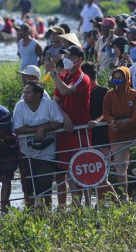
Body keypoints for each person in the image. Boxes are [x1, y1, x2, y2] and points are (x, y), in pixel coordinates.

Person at [45, 45, 91, 206]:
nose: (65, 59)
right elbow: (55, 101)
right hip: (65, 131)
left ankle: (85, 204)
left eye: (69, 57)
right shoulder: (64, 77)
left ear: (78, 60)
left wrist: (52, 73)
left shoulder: (82, 77)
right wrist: (64, 116)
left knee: (81, 168)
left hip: (80, 132)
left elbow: (65, 92)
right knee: (66, 169)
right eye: (64, 56)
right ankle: (72, 205)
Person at [92, 67, 136, 202]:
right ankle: (124, 195)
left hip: (134, 133)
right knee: (120, 167)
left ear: (127, 79)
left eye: (120, 78)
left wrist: (119, 124)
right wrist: (111, 121)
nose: (117, 81)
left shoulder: (135, 95)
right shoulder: (109, 95)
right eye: (115, 78)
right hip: (117, 136)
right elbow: (106, 113)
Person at [13, 81, 64, 207]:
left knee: (45, 186)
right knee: (28, 186)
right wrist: (38, 129)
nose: (25, 95)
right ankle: (30, 212)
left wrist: (43, 129)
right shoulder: (20, 106)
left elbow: (60, 121)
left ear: (38, 95)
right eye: (24, 92)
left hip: (47, 153)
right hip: (27, 152)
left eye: (28, 92)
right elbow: (17, 129)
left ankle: (47, 213)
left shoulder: (49, 104)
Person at [82, 62, 117, 202]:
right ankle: (100, 206)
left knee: (101, 176)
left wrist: (96, 121)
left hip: (102, 139)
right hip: (87, 140)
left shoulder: (104, 91)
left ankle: (117, 202)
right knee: (91, 176)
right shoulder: (84, 93)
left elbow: (107, 112)